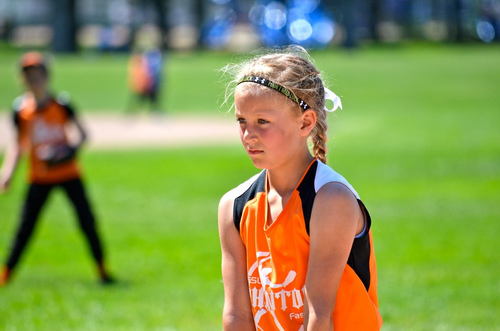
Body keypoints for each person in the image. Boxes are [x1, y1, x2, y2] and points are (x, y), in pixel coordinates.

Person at [218, 47, 382, 330]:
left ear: (305, 122)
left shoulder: (330, 200)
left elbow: (320, 316)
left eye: (263, 122)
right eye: (241, 121)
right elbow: (237, 316)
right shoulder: (235, 206)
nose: (248, 135)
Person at [0, 52, 114, 286]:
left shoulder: (61, 105)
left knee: (87, 222)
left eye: (38, 74)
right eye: (29, 76)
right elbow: (17, 145)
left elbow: (82, 135)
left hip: (68, 173)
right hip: (39, 176)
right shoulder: (21, 111)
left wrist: (65, 152)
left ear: (46, 76)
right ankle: (6, 274)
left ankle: (103, 271)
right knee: (25, 227)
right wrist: (7, 172)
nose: (34, 80)